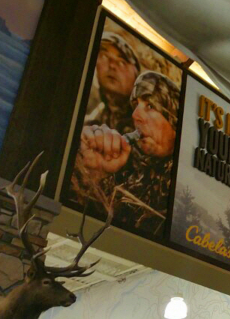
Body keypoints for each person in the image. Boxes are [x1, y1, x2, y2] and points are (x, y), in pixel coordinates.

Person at [73, 71, 180, 236]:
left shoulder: (185, 192)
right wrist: (95, 175)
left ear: (174, 121)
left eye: (150, 106)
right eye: (135, 104)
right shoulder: (126, 166)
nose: (135, 115)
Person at [85, 32, 141, 135]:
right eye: (105, 56)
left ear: (136, 75)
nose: (112, 65)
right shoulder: (93, 122)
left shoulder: (145, 122)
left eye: (122, 62)